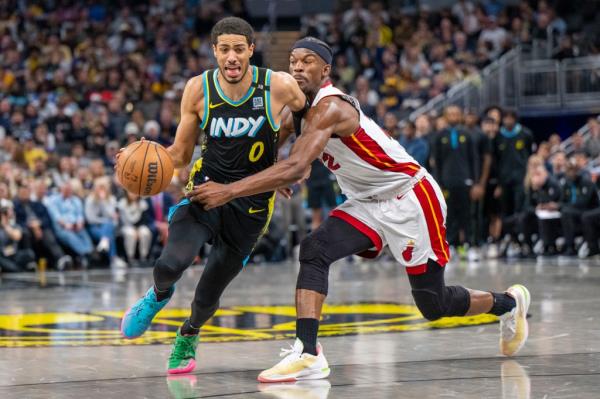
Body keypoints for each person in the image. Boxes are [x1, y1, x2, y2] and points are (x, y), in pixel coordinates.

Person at [190, 37, 531, 382]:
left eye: (307, 61)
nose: (296, 67)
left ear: (325, 71)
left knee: (434, 305)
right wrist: (257, 169)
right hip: (368, 201)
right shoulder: (296, 114)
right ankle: (308, 353)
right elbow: (271, 155)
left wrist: (230, 191)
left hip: (409, 196)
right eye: (293, 61)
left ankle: (508, 304)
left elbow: (296, 168)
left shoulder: (331, 107)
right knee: (314, 249)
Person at [119, 17, 308, 375]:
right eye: (224, 49)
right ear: (215, 52)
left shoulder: (278, 86)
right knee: (169, 265)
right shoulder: (198, 89)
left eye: (239, 49)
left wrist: (290, 162)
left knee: (207, 298)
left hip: (250, 206)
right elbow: (178, 153)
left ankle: (188, 334)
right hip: (205, 192)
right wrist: (138, 153)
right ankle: (157, 295)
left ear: (251, 50)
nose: (232, 57)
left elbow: (307, 119)